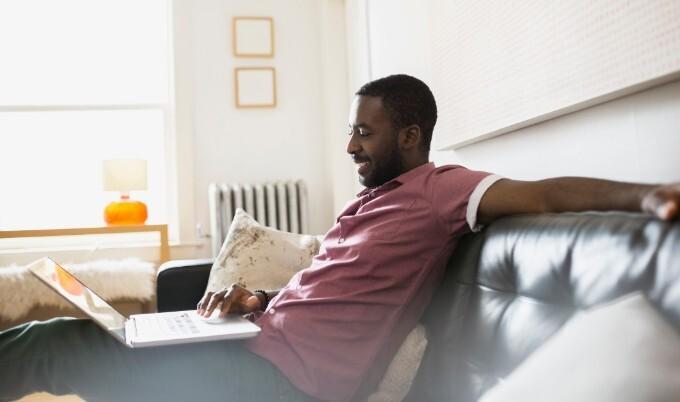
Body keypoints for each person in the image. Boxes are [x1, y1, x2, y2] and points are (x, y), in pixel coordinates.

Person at [1, 74, 678, 402]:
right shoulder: (369, 203)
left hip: (283, 384)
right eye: (352, 129)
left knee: (60, 343)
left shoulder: (441, 191)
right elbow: (328, 292)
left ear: (409, 137)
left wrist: (645, 195)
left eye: (365, 131)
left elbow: (547, 193)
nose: (350, 143)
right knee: (87, 343)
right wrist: (256, 299)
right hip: (256, 352)